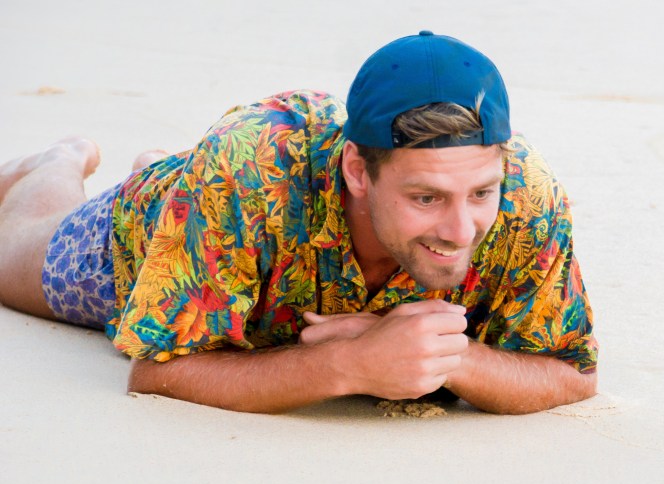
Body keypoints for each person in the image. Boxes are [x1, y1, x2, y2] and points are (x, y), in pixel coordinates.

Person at [0, 31, 597, 414]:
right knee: (10, 256)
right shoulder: (247, 169)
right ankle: (55, 161)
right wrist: (354, 364)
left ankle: (165, 169)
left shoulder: (528, 197)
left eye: (481, 192)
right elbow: (155, 374)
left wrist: (454, 359)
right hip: (165, 226)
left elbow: (572, 372)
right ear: (359, 171)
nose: (462, 230)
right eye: (426, 198)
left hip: (225, 219)